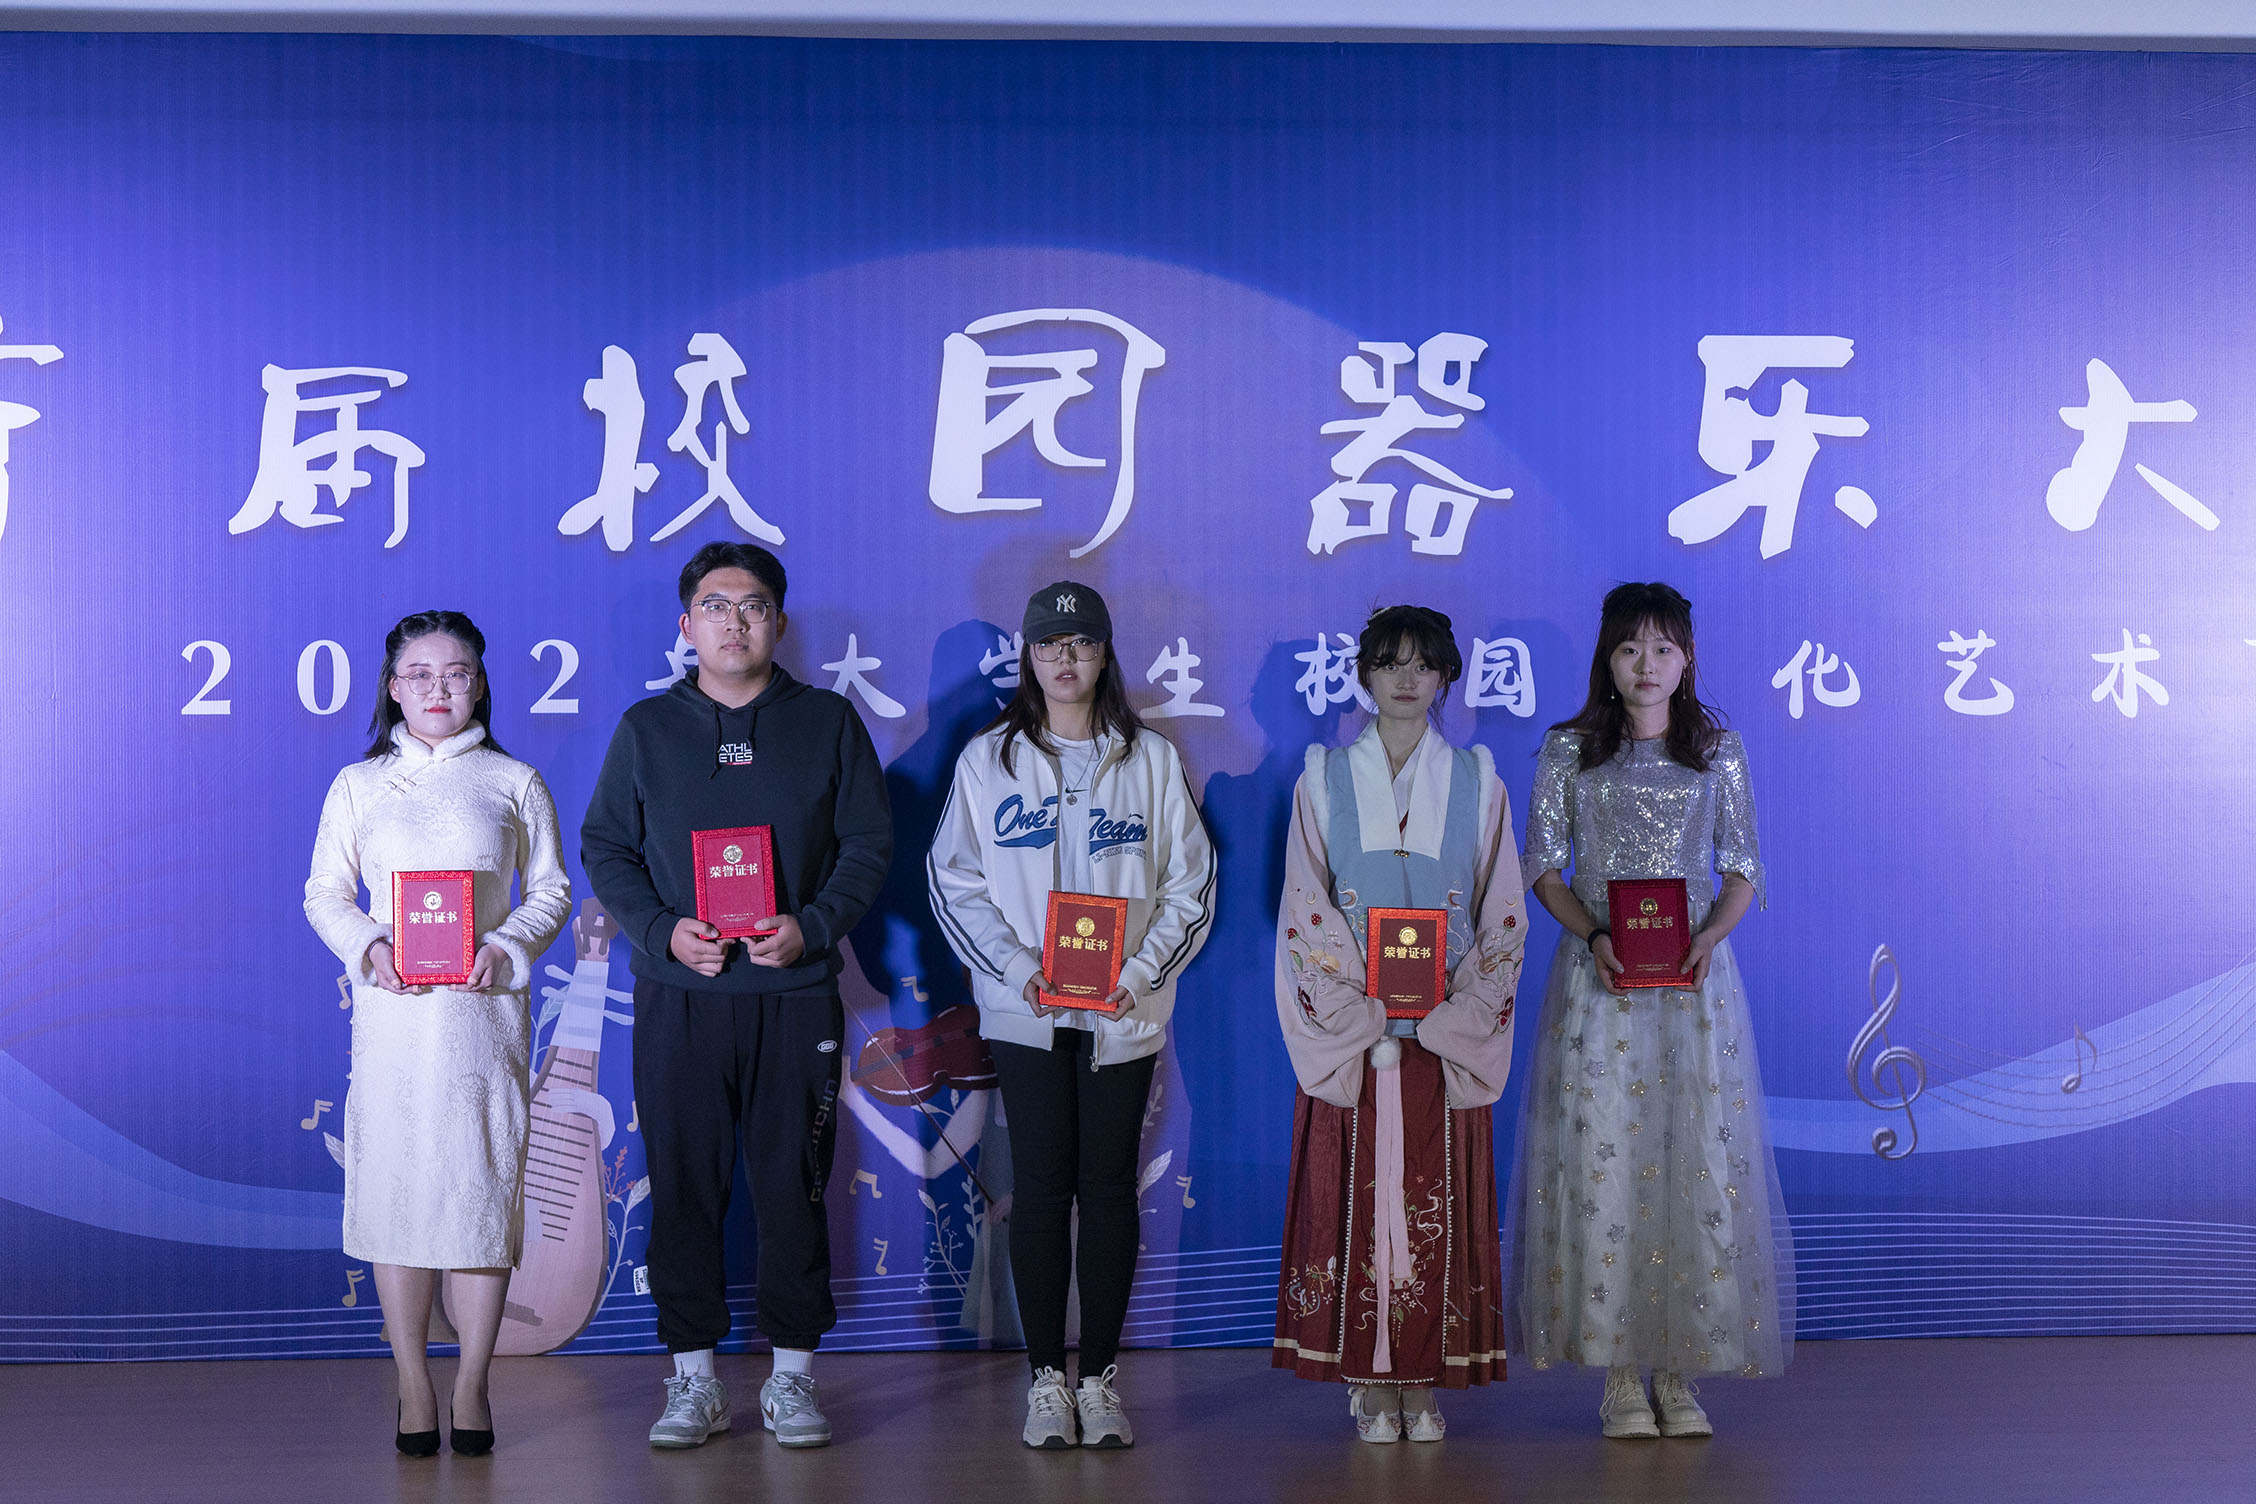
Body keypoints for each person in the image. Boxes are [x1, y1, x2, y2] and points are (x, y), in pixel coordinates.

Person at [581, 541, 892, 1451]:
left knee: (794, 1184)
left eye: (752, 605)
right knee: (683, 1186)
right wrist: (659, 930)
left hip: (793, 994)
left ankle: (793, 1378)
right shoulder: (646, 729)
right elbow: (607, 848)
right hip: (680, 996)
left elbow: (868, 844)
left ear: (779, 623)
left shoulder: (828, 722)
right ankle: (694, 1382)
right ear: (687, 625)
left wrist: (814, 925)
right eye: (715, 606)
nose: (734, 621)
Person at [926, 580, 1216, 1449]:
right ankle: (1047, 1380)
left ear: (1104, 654)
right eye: (1050, 644)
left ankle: (1101, 1379)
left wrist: (1139, 972)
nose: (1066, 658)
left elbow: (1191, 882)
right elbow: (953, 881)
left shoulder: (1149, 759)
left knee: (1111, 1188)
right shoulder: (989, 760)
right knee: (1043, 1189)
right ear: (1028, 655)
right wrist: (1019, 971)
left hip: (1122, 1012)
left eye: (1082, 643)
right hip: (1027, 1013)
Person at [1508, 581, 1793, 1439]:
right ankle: (1621, 1378)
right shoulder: (1568, 751)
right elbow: (1542, 867)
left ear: (1687, 657)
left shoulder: (1717, 752)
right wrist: (1594, 934)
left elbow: (1744, 867)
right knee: (1606, 1159)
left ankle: (1679, 1372)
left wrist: (1708, 938)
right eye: (1630, 647)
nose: (1647, 664)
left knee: (1692, 1156)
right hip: (1600, 983)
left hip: (1695, 988)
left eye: (1663, 647)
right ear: (1607, 656)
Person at [303, 609, 573, 1458]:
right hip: (393, 1024)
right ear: (392, 688)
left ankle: (473, 1383)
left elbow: (551, 891)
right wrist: (369, 946)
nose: (438, 689)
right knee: (397, 1198)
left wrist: (507, 945)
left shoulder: (514, 780)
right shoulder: (359, 784)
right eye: (418, 675)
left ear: (479, 684)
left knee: (477, 1197)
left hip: (481, 1024)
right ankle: (413, 1383)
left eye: (456, 673)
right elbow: (324, 893)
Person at [1272, 604, 1526, 1444]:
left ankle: (1424, 1380)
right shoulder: (1322, 779)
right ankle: (1370, 1381)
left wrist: (1461, 1010)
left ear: (1447, 676)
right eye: (1389, 663)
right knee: (1358, 1205)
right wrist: (1359, 1007)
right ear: (1365, 676)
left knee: (1431, 1205)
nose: (1406, 679)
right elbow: (1305, 905)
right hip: (1362, 1038)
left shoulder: (1481, 783)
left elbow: (1502, 911)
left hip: (1443, 1038)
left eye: (1423, 664)